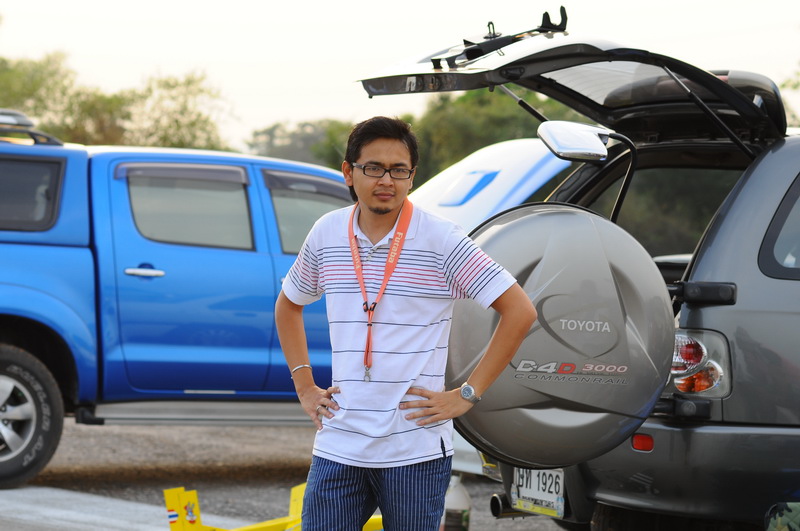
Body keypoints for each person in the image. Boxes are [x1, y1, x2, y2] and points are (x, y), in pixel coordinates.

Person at [274, 116, 537, 530]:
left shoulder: (441, 239)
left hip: (415, 450)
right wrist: (305, 386)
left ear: (412, 177)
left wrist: (467, 394)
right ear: (348, 172)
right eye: (373, 168)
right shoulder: (327, 233)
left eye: (399, 170)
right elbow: (288, 305)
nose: (386, 180)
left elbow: (520, 311)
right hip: (340, 444)